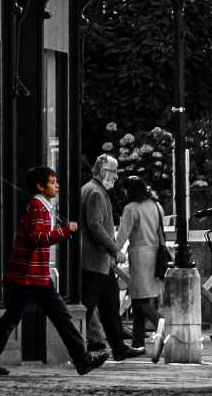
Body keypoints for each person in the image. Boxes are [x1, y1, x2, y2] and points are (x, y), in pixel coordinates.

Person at [0, 165, 110, 378]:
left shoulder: (42, 206)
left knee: (52, 317)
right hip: (28, 276)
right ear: (40, 186)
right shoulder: (37, 207)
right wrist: (66, 230)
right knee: (34, 318)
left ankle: (81, 360)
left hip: (36, 276)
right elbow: (37, 238)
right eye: (52, 181)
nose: (56, 185)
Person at [79, 155, 143, 362]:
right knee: (89, 307)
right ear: (102, 170)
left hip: (98, 262)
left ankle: (118, 347)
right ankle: (77, 349)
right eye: (113, 171)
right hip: (95, 260)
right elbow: (95, 225)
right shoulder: (96, 192)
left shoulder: (91, 189)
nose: (116, 176)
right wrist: (115, 249)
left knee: (109, 304)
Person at [117, 178, 165, 347]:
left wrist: (114, 251)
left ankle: (162, 323)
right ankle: (138, 342)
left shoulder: (131, 209)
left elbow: (123, 234)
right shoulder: (156, 205)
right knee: (141, 300)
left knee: (139, 300)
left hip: (139, 255)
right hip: (155, 254)